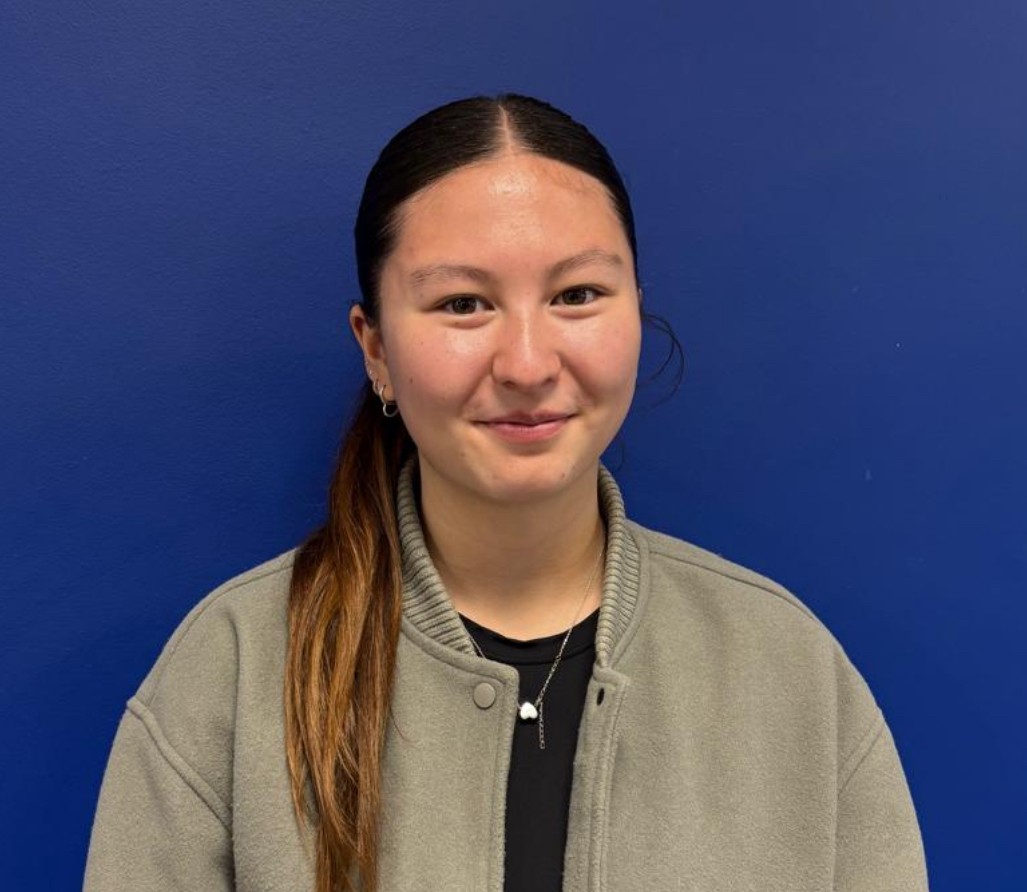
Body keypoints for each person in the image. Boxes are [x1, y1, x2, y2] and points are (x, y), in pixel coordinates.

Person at [83, 94, 928, 892]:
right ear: (374, 349)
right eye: (463, 303)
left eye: (576, 295)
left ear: (636, 313)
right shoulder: (231, 672)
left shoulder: (789, 674)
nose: (526, 364)